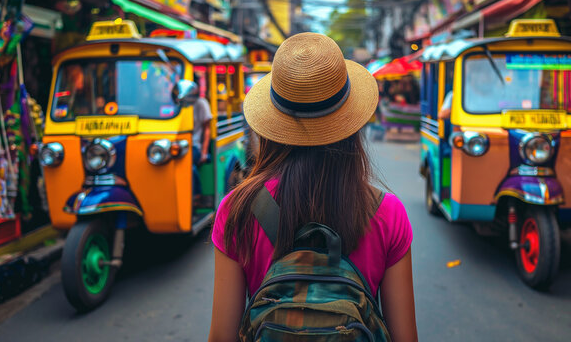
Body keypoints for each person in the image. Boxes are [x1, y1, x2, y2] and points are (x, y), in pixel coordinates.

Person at [208, 33, 417, 341]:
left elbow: (221, 336)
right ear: (350, 124)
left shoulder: (237, 208)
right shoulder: (388, 213)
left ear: (271, 124)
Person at [177, 81, 212, 205]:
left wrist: (204, 152)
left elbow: (207, 128)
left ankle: (196, 194)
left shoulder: (201, 103)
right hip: (178, 146)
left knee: (187, 165)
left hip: (195, 147)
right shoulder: (176, 103)